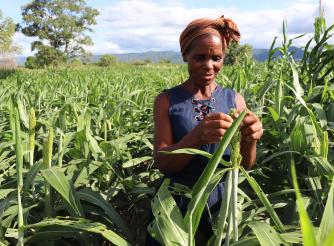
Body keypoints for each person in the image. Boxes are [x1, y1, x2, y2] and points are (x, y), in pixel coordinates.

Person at [148, 15, 263, 244]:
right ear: (185, 56)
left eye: (216, 58)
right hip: (177, 208)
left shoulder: (235, 100)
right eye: (200, 57)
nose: (209, 65)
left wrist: (250, 140)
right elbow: (162, 162)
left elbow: (245, 165)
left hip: (222, 206)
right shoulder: (167, 100)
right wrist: (197, 137)